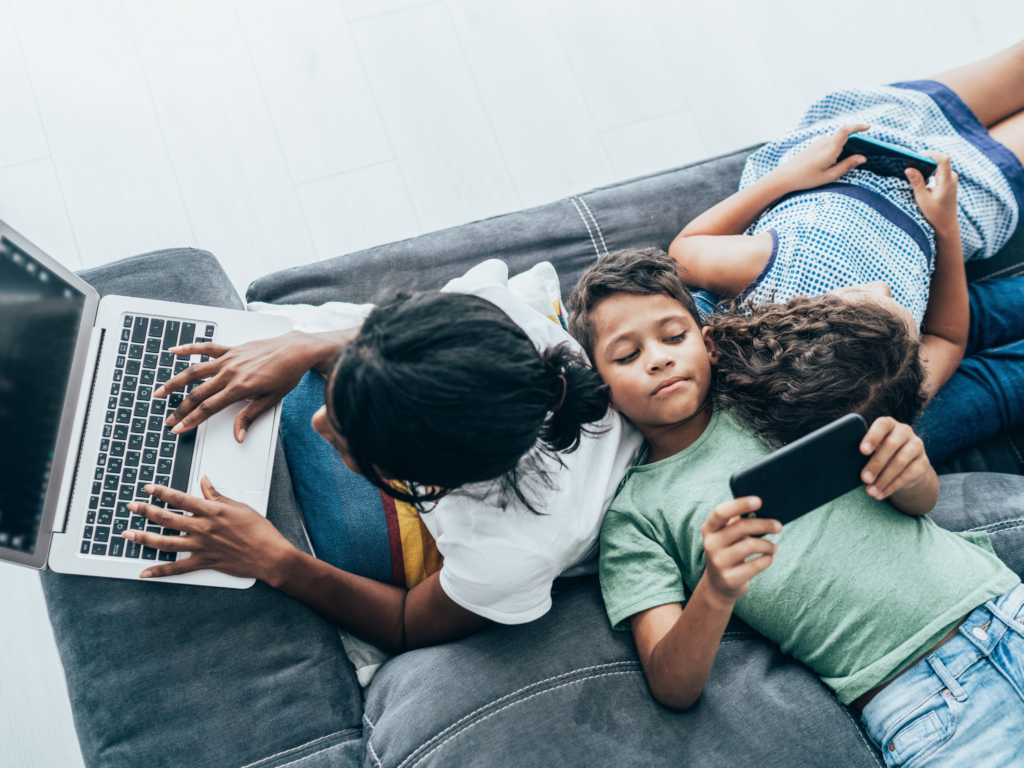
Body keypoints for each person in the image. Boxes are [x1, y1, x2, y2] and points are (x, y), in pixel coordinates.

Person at [568, 247, 1023, 765]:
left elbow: (920, 504)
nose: (658, 358)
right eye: (627, 355)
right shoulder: (633, 520)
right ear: (601, 389)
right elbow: (673, 685)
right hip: (924, 701)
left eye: (674, 336)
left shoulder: (771, 395)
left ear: (708, 343)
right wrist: (716, 588)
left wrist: (913, 469)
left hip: (1003, 603)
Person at [117, 259, 642, 653]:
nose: (319, 421)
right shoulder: (487, 312)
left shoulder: (509, 553)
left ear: (427, 489)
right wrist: (307, 347)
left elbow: (407, 624)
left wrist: (275, 560)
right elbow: (388, 336)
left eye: (345, 440)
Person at [669, 42, 1024, 464]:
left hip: (869, 144)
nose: (883, 288)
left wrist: (787, 177)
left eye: (867, 298)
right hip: (957, 199)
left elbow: (684, 251)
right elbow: (948, 337)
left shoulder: (774, 270)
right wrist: (944, 224)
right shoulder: (896, 386)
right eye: (902, 314)